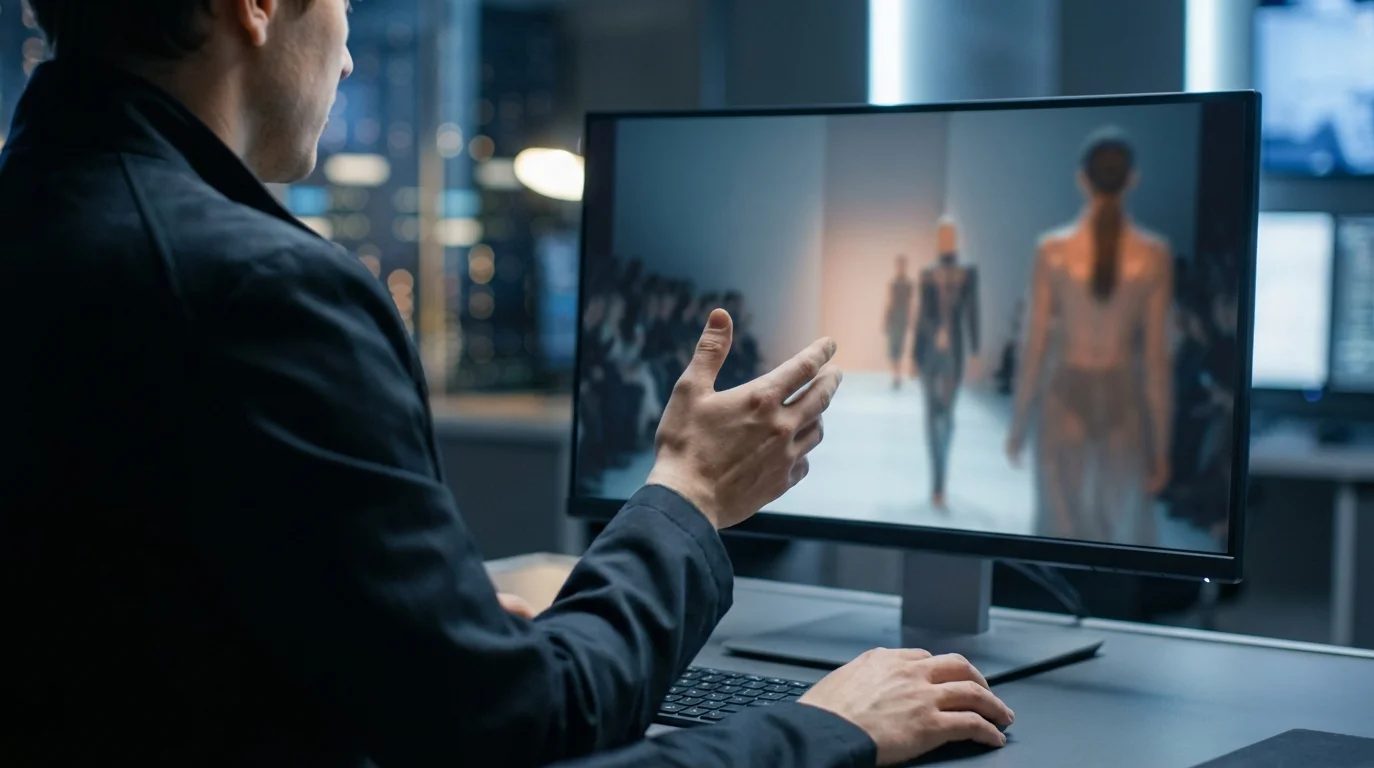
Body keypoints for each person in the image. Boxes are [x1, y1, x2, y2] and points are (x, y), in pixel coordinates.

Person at [0, 1, 1013, 766]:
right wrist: (814, 721)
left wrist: (419, 633)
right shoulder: (256, 292)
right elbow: (518, 743)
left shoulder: (50, 224)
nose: (350, 45)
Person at [1005, 129, 1173, 546]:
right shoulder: (1152, 255)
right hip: (1122, 394)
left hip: (1066, 389)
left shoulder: (1054, 250)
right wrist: (1161, 448)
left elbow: (1034, 345)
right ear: (1132, 178)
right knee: (1116, 532)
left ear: (1083, 179)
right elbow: (1156, 361)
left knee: (1060, 528)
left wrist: (1019, 423)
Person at [913, 218, 980, 508]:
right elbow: (921, 316)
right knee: (931, 416)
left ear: (956, 239)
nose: (946, 240)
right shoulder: (927, 274)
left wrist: (976, 350)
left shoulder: (967, 274)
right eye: (942, 235)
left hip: (954, 355)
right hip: (929, 353)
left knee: (947, 417)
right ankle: (936, 483)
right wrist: (914, 354)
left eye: (950, 235)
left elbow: (972, 311)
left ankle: (943, 475)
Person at [882, 255, 914, 389]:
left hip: (902, 319)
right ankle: (896, 376)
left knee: (899, 348)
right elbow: (890, 302)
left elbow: (911, 303)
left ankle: (898, 376)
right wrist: (886, 320)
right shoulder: (894, 283)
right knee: (893, 348)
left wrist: (911, 320)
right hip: (895, 318)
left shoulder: (908, 284)